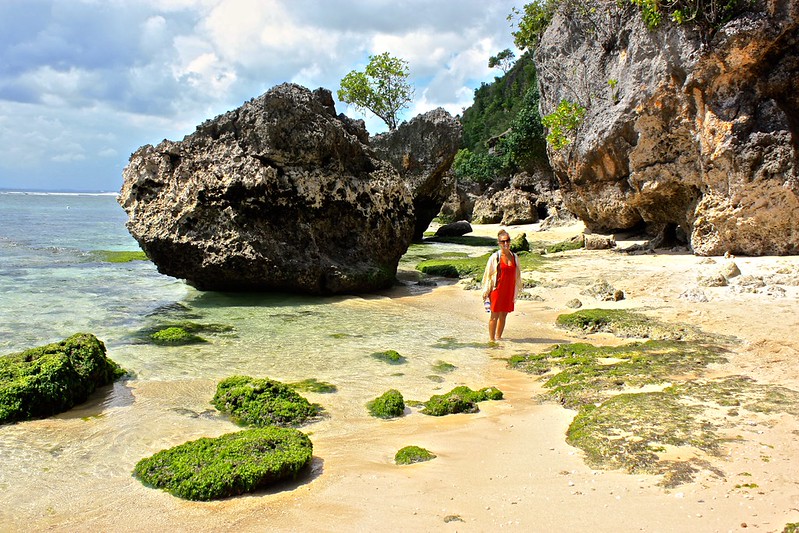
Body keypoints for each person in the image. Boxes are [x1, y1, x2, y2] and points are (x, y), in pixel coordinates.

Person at [481, 229, 523, 342]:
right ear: (499, 243)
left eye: (507, 241)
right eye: (503, 241)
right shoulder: (495, 258)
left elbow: (517, 275)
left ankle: (499, 338)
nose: (506, 244)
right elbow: (487, 275)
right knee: (494, 316)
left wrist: (518, 288)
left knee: (504, 315)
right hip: (497, 290)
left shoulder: (514, 257)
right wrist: (485, 292)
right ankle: (492, 341)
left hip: (509, 290)